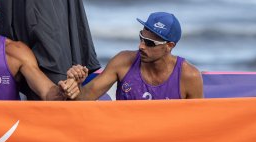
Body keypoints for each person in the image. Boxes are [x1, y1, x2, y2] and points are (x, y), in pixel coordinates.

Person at [67, 12, 204, 100]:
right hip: (126, 140)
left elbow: (196, 124)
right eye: (141, 38)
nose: (141, 46)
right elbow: (83, 99)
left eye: (150, 43)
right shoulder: (123, 61)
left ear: (169, 46)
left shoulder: (189, 76)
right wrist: (76, 85)